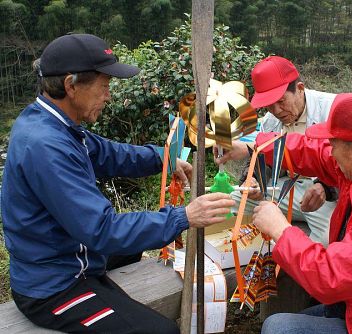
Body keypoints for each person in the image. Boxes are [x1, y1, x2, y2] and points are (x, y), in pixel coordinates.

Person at [0, 33, 234, 334]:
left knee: (134, 246)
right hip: (52, 286)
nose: (108, 96)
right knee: (161, 331)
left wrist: (163, 158)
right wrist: (184, 216)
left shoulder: (54, 124)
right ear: (71, 85)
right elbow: (101, 230)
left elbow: (109, 154)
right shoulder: (46, 146)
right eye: (104, 86)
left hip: (67, 253)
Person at [216, 92, 352, 333]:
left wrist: (281, 230)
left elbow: (330, 276)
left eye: (333, 144)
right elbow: (312, 151)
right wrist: (253, 147)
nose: (330, 151)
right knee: (292, 319)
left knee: (277, 327)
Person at [229, 55, 338, 246]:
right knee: (233, 201)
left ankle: (293, 263)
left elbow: (348, 164)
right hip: (286, 188)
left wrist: (326, 187)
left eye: (281, 101)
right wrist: (254, 180)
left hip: (322, 194)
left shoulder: (332, 110)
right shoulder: (271, 121)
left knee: (329, 238)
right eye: (269, 105)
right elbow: (264, 159)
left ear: (300, 89)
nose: (276, 110)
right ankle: (255, 255)